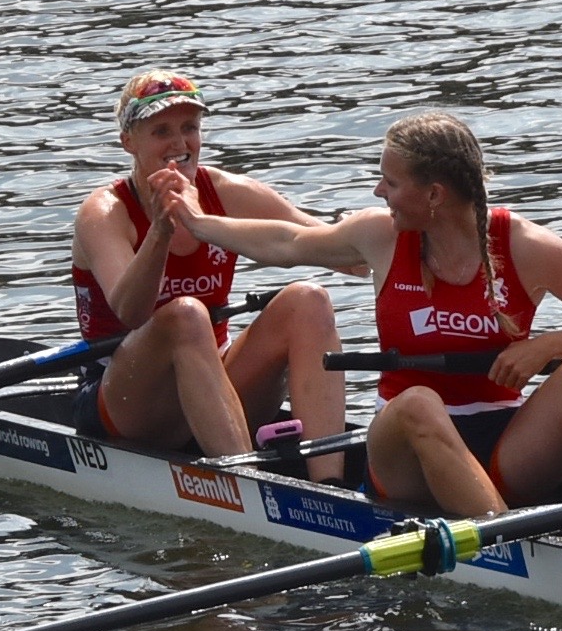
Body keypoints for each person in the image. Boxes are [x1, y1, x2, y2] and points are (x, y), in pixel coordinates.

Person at [165, 111, 562, 548]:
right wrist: (197, 220)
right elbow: (288, 241)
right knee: (420, 402)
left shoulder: (526, 247)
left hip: (507, 445)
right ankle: (509, 544)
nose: (378, 191)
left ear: (434, 194)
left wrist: (549, 346)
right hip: (403, 453)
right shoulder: (380, 236)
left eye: (390, 181)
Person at [70, 70, 353, 481]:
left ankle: (329, 483)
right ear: (128, 141)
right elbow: (130, 312)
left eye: (189, 128)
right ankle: (250, 486)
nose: (179, 144)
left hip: (210, 384)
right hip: (126, 401)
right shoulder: (104, 213)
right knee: (186, 314)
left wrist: (397, 231)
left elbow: (338, 250)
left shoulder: (226, 191)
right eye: (161, 131)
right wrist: (161, 231)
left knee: (308, 300)